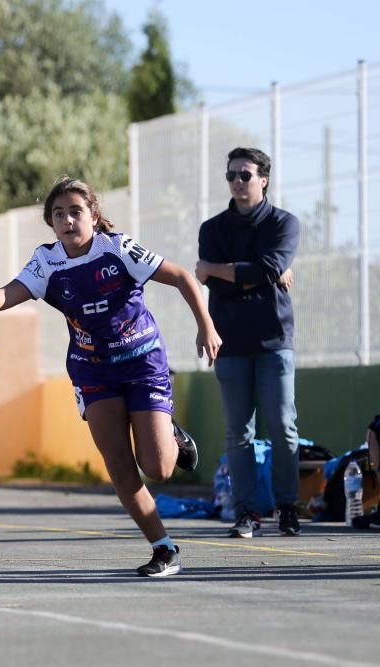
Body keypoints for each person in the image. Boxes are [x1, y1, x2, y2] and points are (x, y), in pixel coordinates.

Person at [0, 176, 221, 577]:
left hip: (142, 362)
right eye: (58, 214)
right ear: (51, 223)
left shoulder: (118, 249)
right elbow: (5, 296)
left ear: (94, 216)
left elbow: (184, 277)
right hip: (92, 368)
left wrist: (206, 324)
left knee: (159, 468)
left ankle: (168, 431)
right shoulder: (47, 261)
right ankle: (163, 548)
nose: (67, 220)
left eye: (76, 212)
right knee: (118, 464)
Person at [196, 147, 301, 539]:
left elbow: (268, 268)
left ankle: (288, 508)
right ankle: (247, 513)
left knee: (282, 426)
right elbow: (252, 273)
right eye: (231, 175)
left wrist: (217, 270)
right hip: (229, 341)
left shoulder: (283, 224)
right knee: (238, 432)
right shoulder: (212, 229)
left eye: (245, 174)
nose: (237, 182)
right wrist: (254, 273)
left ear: (264, 179)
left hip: (275, 340)